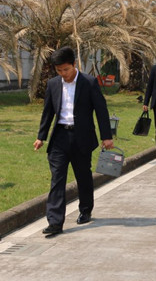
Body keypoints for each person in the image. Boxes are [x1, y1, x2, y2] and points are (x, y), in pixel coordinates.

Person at [34, 47, 113, 236]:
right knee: (57, 179)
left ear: (74, 64)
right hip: (59, 137)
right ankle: (55, 222)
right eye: (59, 70)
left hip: (81, 137)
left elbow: (101, 110)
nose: (63, 74)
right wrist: (41, 136)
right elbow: (48, 112)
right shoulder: (53, 84)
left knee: (83, 176)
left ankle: (85, 210)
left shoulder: (89, 82)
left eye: (66, 70)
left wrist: (106, 136)